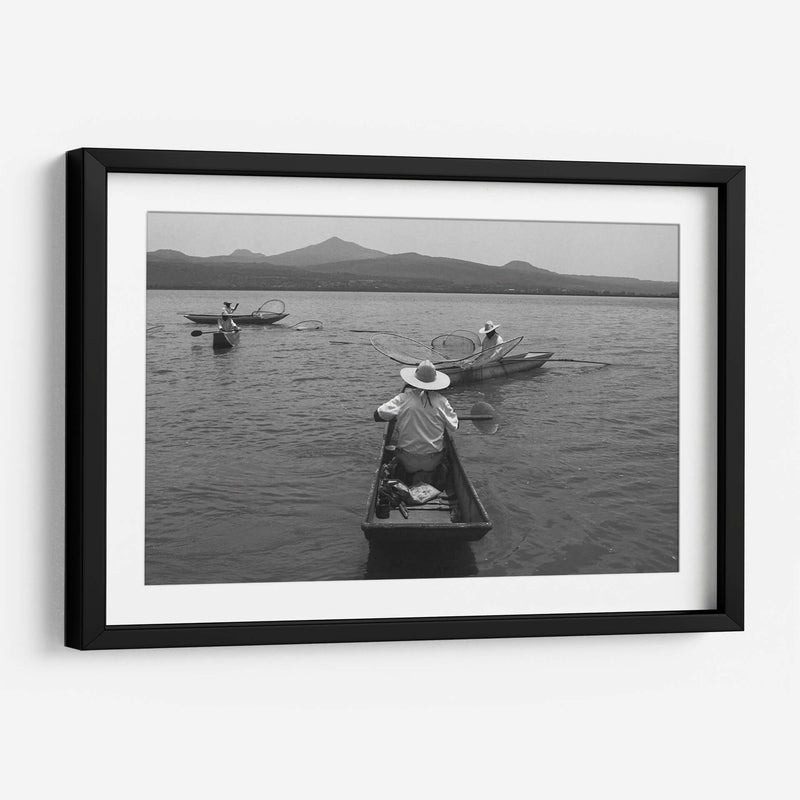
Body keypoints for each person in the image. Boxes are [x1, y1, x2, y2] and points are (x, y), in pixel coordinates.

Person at [373, 360, 458, 477]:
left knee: (395, 449)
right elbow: (455, 426)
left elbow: (377, 415)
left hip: (407, 460)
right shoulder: (442, 401)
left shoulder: (402, 399)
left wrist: (397, 416)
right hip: (433, 461)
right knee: (445, 450)